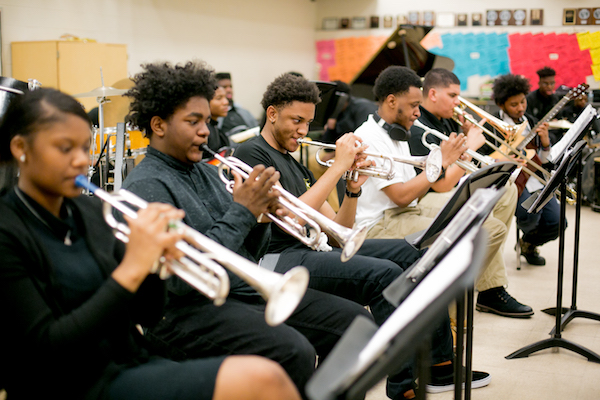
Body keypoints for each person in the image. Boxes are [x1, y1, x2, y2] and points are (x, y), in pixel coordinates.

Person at [0, 87, 302, 400]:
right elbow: (46, 347)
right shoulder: (7, 231)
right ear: (21, 147)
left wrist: (157, 265)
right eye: (65, 149)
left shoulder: (88, 211)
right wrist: (133, 267)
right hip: (69, 384)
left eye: (85, 148)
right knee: (262, 379)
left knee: (267, 374)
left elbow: (146, 314)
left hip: (128, 361)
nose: (81, 161)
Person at [120, 61, 372, 399]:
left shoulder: (207, 173)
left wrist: (262, 219)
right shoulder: (146, 185)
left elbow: (245, 253)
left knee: (355, 324)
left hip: (240, 291)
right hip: (184, 312)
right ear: (159, 125)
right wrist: (243, 212)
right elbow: (185, 277)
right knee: (293, 352)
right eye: (193, 122)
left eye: (207, 121)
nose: (205, 132)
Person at [235, 73, 491, 399]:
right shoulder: (252, 154)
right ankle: (403, 386)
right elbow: (288, 217)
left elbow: (337, 228)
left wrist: (352, 190)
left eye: (308, 122)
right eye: (295, 121)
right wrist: (337, 168)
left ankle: (440, 364)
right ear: (272, 114)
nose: (303, 131)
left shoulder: (294, 163)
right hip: (274, 259)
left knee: (419, 252)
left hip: (314, 250)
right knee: (382, 275)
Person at [351, 66, 533, 318]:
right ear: (392, 101)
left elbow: (412, 194)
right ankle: (445, 308)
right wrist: (444, 162)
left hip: (407, 209)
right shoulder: (370, 136)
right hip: (382, 222)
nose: (418, 112)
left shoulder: (397, 130)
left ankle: (455, 298)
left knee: (489, 219)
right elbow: (402, 196)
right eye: (414, 105)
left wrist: (449, 157)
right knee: (487, 230)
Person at [406, 68, 530, 318]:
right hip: (423, 195)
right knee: (485, 212)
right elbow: (439, 184)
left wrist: (465, 137)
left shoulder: (446, 120)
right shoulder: (419, 126)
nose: (458, 102)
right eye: (453, 96)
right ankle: (490, 287)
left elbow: (462, 165)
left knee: (505, 188)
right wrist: (469, 144)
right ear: (432, 94)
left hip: (450, 185)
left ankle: (487, 287)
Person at [482, 73, 561, 267]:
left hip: (533, 179)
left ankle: (527, 244)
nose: (520, 108)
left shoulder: (532, 122)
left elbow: (543, 161)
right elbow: (482, 160)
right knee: (530, 214)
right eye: (514, 104)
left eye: (523, 102)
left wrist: (545, 143)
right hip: (510, 182)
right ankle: (527, 228)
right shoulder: (491, 126)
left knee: (557, 221)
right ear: (502, 105)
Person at [204, 84, 233, 158]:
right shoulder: (205, 131)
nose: (226, 102)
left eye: (225, 97)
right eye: (219, 98)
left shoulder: (216, 128)